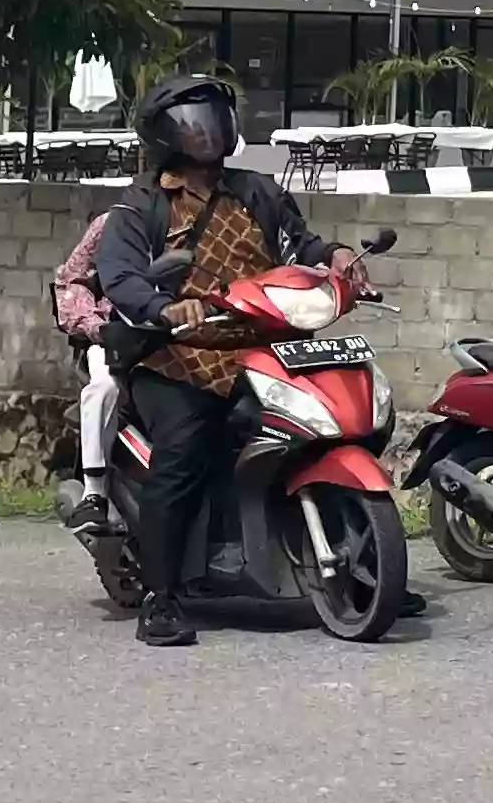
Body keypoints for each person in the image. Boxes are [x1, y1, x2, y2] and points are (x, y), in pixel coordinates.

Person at [95, 71, 347, 649]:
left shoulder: (258, 190)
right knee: (183, 450)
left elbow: (299, 245)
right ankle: (162, 597)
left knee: (326, 423)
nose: (205, 132)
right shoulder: (142, 206)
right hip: (175, 359)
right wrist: (164, 307)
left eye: (212, 117)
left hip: (261, 349)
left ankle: (353, 560)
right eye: (191, 121)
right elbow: (122, 278)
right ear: (165, 134)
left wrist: (334, 257)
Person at [48, 207, 125, 540]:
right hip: (120, 333)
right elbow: (71, 279)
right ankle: (95, 493)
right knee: (106, 386)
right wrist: (95, 326)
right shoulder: (113, 223)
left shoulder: (221, 220)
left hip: (188, 334)